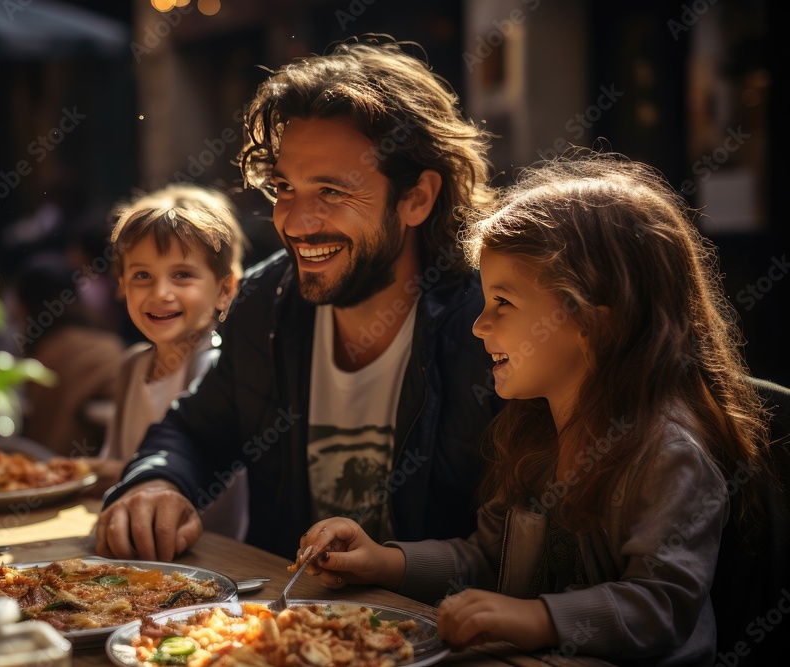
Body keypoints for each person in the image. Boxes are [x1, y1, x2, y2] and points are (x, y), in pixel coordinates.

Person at [294, 153, 770, 665]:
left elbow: (660, 606)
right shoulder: (534, 430)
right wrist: (382, 562)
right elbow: (486, 558)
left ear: (596, 321)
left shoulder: (669, 456)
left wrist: (536, 618)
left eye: (504, 302)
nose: (479, 325)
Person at [96, 35, 503, 562]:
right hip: (284, 631)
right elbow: (194, 432)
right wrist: (154, 484)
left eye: (331, 192)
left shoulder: (489, 326)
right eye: (285, 188)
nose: (296, 222)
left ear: (416, 199)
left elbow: (519, 547)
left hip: (443, 636)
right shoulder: (268, 302)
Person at [84, 184, 249, 539]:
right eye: (143, 276)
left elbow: (212, 485)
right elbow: (115, 461)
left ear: (225, 290)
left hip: (211, 551)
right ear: (122, 285)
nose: (161, 293)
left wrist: (109, 473)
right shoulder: (132, 367)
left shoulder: (216, 367)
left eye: (182, 275)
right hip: (139, 542)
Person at [12, 253, 128, 457]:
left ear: (23, 308)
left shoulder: (41, 357)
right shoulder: (109, 346)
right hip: (99, 474)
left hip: (54, 475)